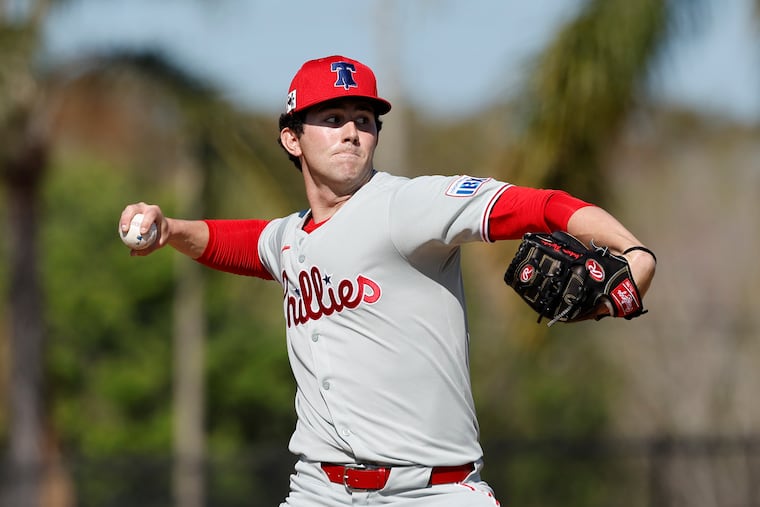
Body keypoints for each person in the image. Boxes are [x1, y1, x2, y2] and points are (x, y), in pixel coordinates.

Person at [120, 55, 656, 506]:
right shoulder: (289, 240)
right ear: (292, 138)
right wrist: (169, 228)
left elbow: (537, 205)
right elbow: (236, 242)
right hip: (320, 489)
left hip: (433, 492)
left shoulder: (406, 205)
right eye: (332, 117)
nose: (352, 131)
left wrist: (634, 252)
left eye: (365, 118)